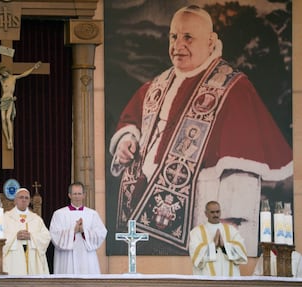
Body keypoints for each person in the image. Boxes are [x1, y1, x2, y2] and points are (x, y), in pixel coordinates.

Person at [108, 5, 293, 256]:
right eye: (173, 36)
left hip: (199, 215)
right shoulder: (159, 84)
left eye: (188, 37)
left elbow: (242, 167)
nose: (177, 45)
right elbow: (133, 119)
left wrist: (229, 222)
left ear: (210, 42)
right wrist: (126, 140)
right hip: (144, 212)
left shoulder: (233, 88)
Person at [0, 60, 42, 150]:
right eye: (2, 74)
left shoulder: (13, 78)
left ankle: (10, 140)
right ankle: (7, 140)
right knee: (3, 119)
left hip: (10, 100)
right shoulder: (1, 79)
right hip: (3, 100)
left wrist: (33, 68)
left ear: (7, 71)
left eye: (4, 73)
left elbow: (24, 74)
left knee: (8, 118)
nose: (4, 75)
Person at [49, 182, 107, 274]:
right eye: (74, 194)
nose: (77, 196)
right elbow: (54, 234)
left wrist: (84, 232)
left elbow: (101, 233)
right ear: (69, 195)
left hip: (87, 256)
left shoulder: (92, 214)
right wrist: (73, 231)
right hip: (66, 257)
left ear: (84, 195)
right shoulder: (59, 214)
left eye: (79, 194)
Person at [0, 187, 51, 275]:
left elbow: (46, 237)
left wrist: (31, 236)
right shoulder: (5, 217)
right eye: (21, 197)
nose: (24, 200)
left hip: (32, 256)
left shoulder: (36, 218)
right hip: (13, 258)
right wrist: (15, 237)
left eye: (26, 198)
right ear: (15, 200)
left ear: (29, 201)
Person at [188, 201, 247, 276]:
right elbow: (196, 256)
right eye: (212, 212)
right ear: (206, 214)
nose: (215, 214)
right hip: (207, 279)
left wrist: (224, 247)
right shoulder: (196, 232)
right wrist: (213, 246)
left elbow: (241, 251)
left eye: (217, 212)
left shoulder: (231, 230)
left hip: (229, 279)